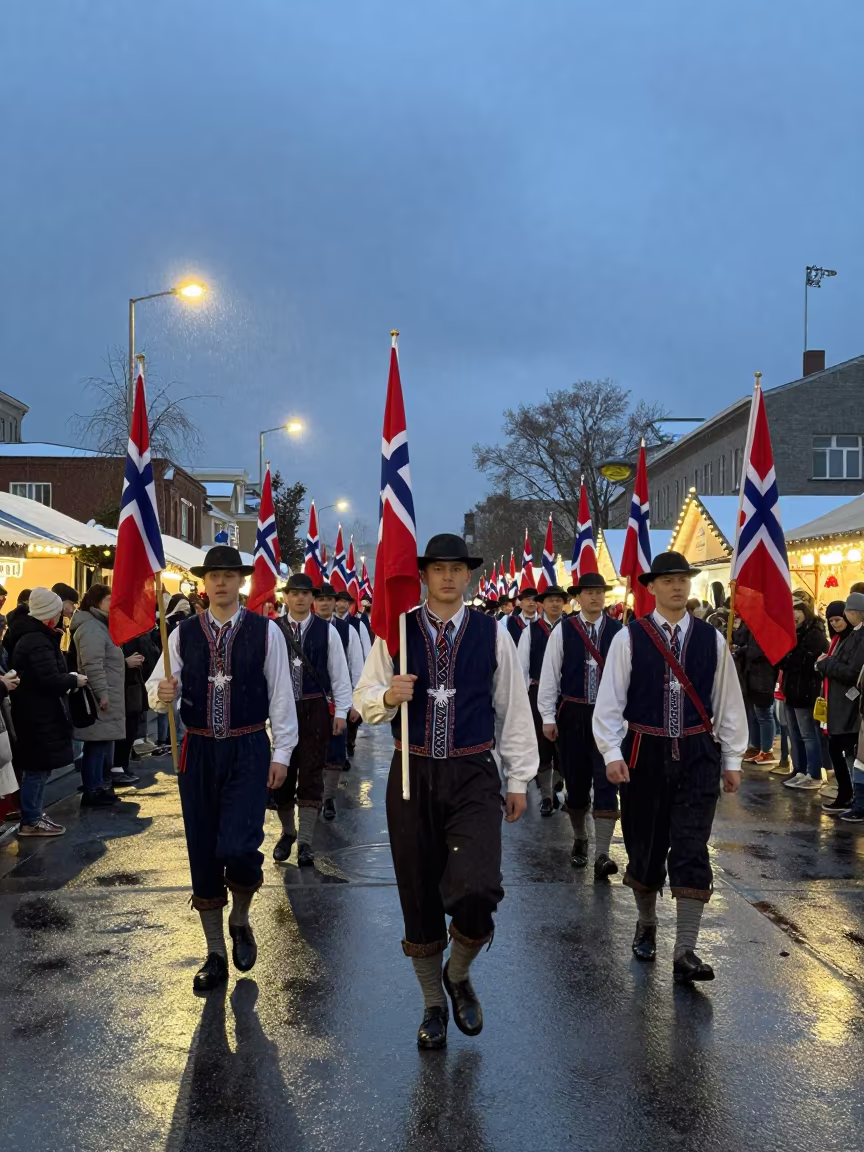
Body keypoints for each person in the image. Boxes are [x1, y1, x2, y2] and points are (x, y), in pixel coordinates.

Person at [354, 533, 537, 1050]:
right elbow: (363, 697)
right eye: (439, 569)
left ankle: (458, 974)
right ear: (425, 576)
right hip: (411, 772)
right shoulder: (398, 631)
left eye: (457, 569)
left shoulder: (491, 631)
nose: (449, 577)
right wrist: (388, 695)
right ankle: (433, 1003)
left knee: (478, 886)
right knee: (418, 891)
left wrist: (519, 777)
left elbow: (512, 709)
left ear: (468, 576)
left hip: (474, 772)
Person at [147, 545, 298, 992]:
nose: (220, 583)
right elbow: (158, 684)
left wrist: (282, 754)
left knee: (240, 846)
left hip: (249, 747)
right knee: (203, 851)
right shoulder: (181, 634)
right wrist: (164, 692)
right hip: (198, 750)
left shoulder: (266, 632)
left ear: (240, 583)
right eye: (213, 575)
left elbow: (282, 697)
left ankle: (241, 916)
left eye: (229, 575)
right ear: (203, 583)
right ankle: (214, 952)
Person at [593, 551, 747, 983]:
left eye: (683, 579)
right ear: (652, 587)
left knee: (692, 845)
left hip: (698, 753)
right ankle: (646, 923)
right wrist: (611, 753)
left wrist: (732, 759)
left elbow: (728, 702)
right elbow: (609, 704)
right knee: (645, 846)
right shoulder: (629, 638)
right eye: (668, 580)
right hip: (644, 752)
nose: (677, 587)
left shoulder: (712, 639)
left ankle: (686, 949)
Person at [538, 572, 622, 875]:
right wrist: (548, 716)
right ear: (579, 597)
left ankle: (602, 853)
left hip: (608, 717)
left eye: (599, 592)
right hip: (572, 714)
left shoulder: (619, 631)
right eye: (589, 592)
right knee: (575, 785)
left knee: (607, 782)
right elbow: (550, 674)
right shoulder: (564, 630)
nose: (595, 597)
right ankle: (580, 837)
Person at [271, 573, 352, 867]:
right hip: (281, 709)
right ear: (286, 597)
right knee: (281, 776)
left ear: (312, 598)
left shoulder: (326, 631)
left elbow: (339, 673)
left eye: (307, 594)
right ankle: (288, 832)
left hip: (315, 709)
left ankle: (305, 840)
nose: (301, 598)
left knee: (311, 774)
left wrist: (341, 712)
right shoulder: (272, 629)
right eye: (295, 593)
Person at [12, 588, 85, 837]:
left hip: (37, 711)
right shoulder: (36, 640)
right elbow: (48, 678)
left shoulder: (37, 637)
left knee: (39, 767)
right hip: (37, 713)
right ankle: (31, 820)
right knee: (37, 767)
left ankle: (33, 814)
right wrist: (73, 680)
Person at [70, 584, 127, 806]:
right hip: (100, 695)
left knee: (101, 743)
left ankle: (99, 785)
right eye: (108, 601)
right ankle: (93, 789)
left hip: (107, 692)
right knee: (96, 744)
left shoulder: (100, 625)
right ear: (96, 603)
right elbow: (93, 664)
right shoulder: (93, 628)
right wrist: (102, 693)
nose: (112, 605)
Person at [314, 583, 364, 820]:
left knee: (335, 751)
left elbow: (356, 666)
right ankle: (312, 797)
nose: (324, 603)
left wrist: (354, 703)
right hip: (310, 699)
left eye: (328, 599)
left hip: (338, 699)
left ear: (335, 602)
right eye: (320, 599)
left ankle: (329, 797)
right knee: (310, 751)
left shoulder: (347, 630)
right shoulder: (305, 628)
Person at [517, 583, 568, 815]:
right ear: (542, 604)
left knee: (565, 746)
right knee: (542, 745)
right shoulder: (531, 631)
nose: (555, 603)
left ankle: (560, 785)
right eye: (550, 600)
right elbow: (522, 667)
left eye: (559, 599)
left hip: (568, 696)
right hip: (537, 693)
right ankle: (546, 797)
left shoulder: (572, 628)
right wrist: (522, 700)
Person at [818, 595, 864, 815]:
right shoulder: (850, 636)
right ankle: (847, 795)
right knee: (839, 749)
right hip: (840, 704)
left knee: (849, 754)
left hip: (850, 706)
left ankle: (852, 798)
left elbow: (852, 672)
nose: (841, 619)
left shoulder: (859, 637)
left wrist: (826, 664)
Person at [778, 600, 829, 790]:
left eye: (797, 611)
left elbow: (807, 663)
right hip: (791, 690)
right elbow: (783, 660)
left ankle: (813, 773)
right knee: (795, 734)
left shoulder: (815, 634)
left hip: (806, 691)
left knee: (808, 734)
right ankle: (799, 769)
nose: (794, 615)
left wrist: (791, 658)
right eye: (791, 611)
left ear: (805, 612)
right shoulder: (791, 633)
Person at [733, 623, 778, 766]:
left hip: (763, 677)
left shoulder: (769, 629)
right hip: (750, 677)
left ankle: (766, 750)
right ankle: (755, 746)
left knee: (764, 714)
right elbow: (740, 639)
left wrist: (743, 650)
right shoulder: (751, 626)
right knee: (753, 714)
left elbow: (758, 651)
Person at [334, 589, 370, 758]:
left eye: (344, 602)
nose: (341, 604)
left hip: (352, 675)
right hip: (333, 679)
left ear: (349, 605)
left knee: (352, 716)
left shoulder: (357, 624)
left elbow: (366, 651)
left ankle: (349, 743)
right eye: (338, 601)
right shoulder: (327, 624)